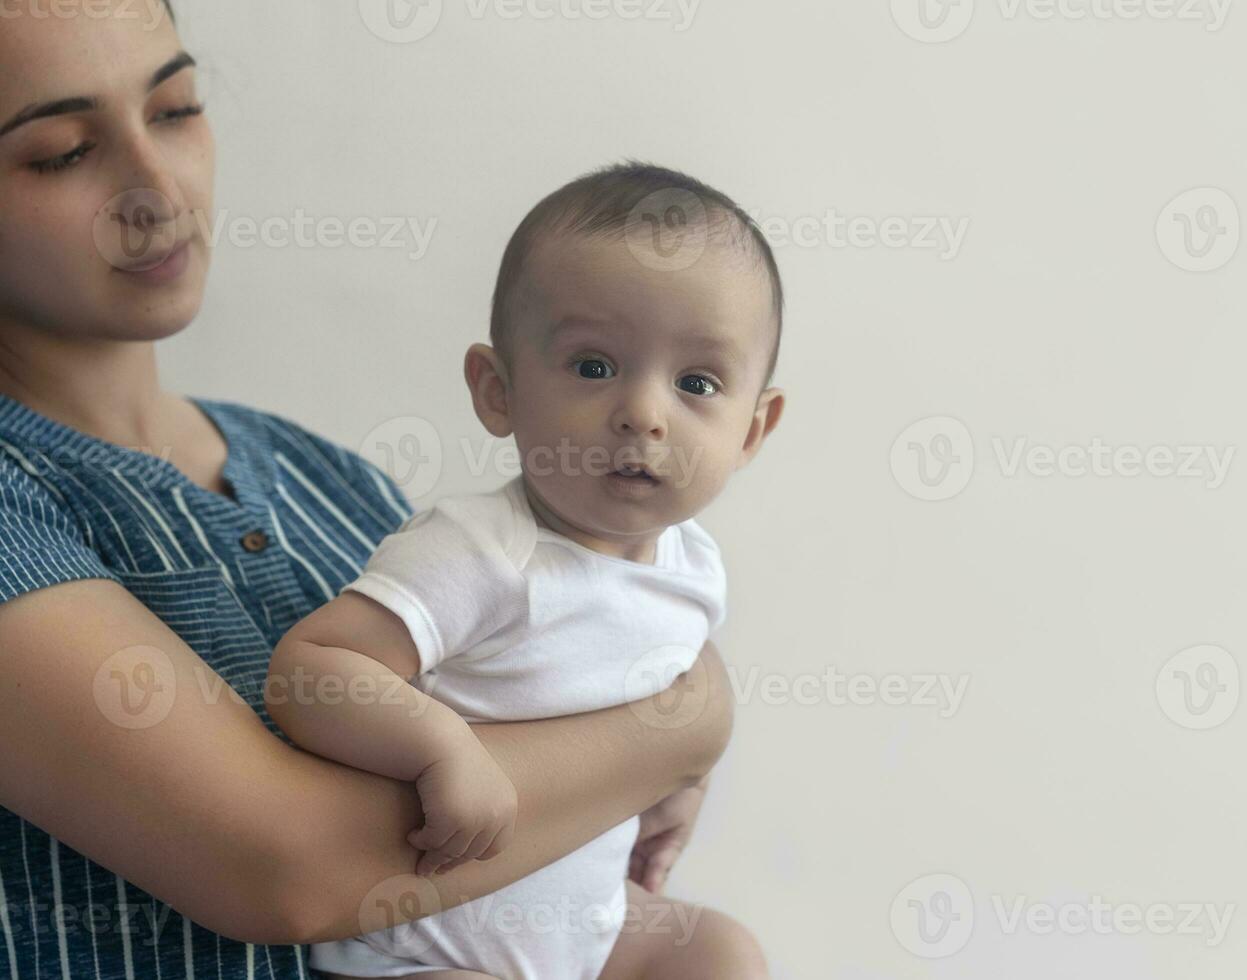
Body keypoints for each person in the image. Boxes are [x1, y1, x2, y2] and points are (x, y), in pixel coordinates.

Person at [0, 4, 737, 978]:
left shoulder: (321, 470)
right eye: (61, 152)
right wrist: (687, 723)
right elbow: (282, 866)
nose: (157, 187)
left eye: (177, 107)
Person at [269, 163, 785, 979]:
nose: (643, 413)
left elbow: (659, 678)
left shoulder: (693, 567)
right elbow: (312, 671)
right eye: (593, 367)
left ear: (753, 429)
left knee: (720, 954)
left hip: (575, 933)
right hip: (415, 952)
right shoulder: (478, 549)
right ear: (498, 391)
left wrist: (685, 777)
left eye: (696, 383)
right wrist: (442, 749)